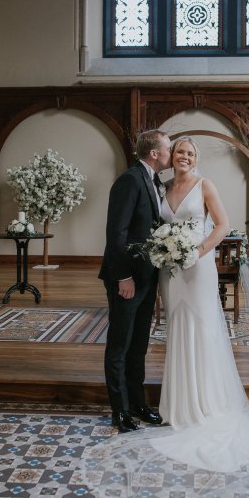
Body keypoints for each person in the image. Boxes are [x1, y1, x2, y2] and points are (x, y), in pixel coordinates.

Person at [85, 136, 249, 498]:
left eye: (188, 153)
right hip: (165, 274)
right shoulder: (156, 185)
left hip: (196, 269)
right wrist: (158, 258)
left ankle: (202, 404)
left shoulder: (204, 185)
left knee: (198, 327)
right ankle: (166, 405)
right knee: (168, 332)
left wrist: (195, 251)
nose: (181, 156)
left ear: (195, 159)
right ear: (163, 155)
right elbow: (134, 230)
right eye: (177, 150)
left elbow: (223, 224)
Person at [99, 129, 171, 433]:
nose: (171, 152)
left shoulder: (155, 182)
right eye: (168, 148)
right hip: (126, 278)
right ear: (154, 153)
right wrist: (123, 276)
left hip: (147, 277)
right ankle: (120, 411)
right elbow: (117, 233)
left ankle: (138, 403)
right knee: (120, 344)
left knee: (139, 344)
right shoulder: (129, 180)